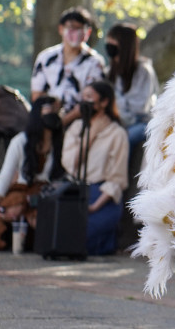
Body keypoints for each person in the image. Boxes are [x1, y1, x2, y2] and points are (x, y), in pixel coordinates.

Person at [0, 96, 66, 251]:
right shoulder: (21, 141)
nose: (54, 114)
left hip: (46, 193)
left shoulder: (61, 142)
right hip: (23, 191)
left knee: (43, 214)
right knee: (14, 205)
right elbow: (6, 174)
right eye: (48, 109)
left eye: (57, 111)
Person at [60, 80, 128, 256]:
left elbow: (117, 179)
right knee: (63, 238)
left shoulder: (117, 133)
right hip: (75, 191)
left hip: (101, 196)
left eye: (90, 97)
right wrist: (90, 137)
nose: (85, 101)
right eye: (83, 97)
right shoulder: (76, 128)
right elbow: (70, 165)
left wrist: (94, 207)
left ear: (104, 102)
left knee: (83, 239)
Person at [31, 6, 106, 128]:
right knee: (19, 143)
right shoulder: (45, 58)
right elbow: (37, 95)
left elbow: (93, 101)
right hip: (45, 120)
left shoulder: (95, 63)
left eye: (80, 28)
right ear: (61, 29)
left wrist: (63, 122)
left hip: (79, 123)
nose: (75, 33)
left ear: (88, 32)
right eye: (71, 28)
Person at [103, 23, 158, 149]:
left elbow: (139, 109)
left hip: (140, 124)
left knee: (122, 140)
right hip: (116, 122)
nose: (109, 47)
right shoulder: (110, 71)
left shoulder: (143, 71)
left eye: (113, 43)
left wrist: (114, 103)